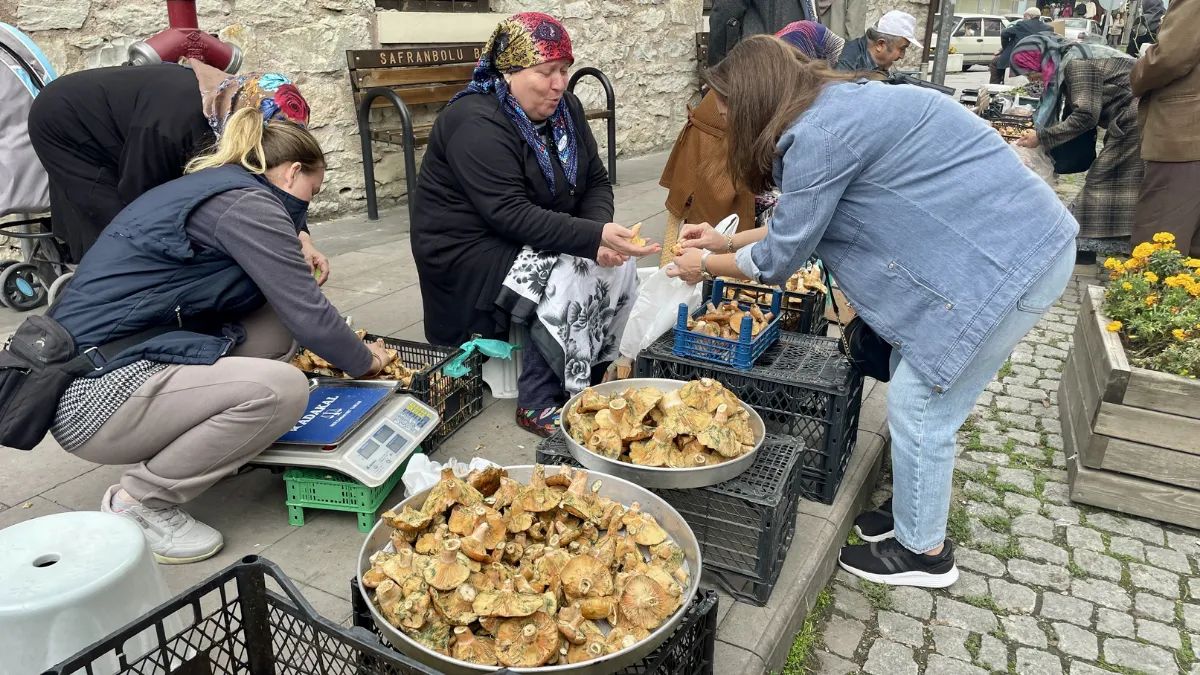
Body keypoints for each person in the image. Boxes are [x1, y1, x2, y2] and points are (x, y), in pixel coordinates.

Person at [668, 35, 1077, 587]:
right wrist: (722, 243)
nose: (726, 124)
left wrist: (703, 265)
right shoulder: (838, 106)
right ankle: (916, 515)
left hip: (1009, 265)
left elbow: (779, 259)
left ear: (754, 100)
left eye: (727, 111)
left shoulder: (817, 136)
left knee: (921, 406)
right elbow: (808, 225)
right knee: (920, 401)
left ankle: (924, 553)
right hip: (1018, 246)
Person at [45, 107, 391, 564]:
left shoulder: (226, 186)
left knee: (272, 325)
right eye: (313, 191)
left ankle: (209, 448)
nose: (309, 205)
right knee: (283, 390)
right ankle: (139, 504)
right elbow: (309, 313)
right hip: (95, 398)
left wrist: (297, 238)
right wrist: (366, 363)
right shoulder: (249, 206)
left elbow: (285, 308)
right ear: (291, 173)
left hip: (122, 357)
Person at [409, 13, 658, 437]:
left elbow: (595, 180)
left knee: (617, 262)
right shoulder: (475, 121)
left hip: (532, 227)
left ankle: (591, 374)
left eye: (564, 70)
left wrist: (598, 233)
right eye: (546, 72)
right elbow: (509, 213)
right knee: (565, 271)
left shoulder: (567, 110)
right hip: (468, 246)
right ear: (510, 72)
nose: (559, 83)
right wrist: (590, 237)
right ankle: (538, 398)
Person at [27, 61, 330, 282]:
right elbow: (141, 200)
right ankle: (102, 306)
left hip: (131, 124)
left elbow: (274, 183)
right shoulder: (173, 127)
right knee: (118, 228)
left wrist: (301, 237)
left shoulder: (237, 109)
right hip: (64, 122)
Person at [659, 21, 846, 265]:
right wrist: (722, 247)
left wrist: (707, 264)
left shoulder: (809, 130)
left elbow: (788, 239)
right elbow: (788, 236)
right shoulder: (792, 118)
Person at [1011, 34, 1142, 262]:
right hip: (1133, 119)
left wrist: (1042, 137)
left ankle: (1083, 248)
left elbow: (1086, 115)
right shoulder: (1072, 58)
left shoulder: (1077, 65)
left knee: (1102, 179)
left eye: (1029, 70)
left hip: (1136, 121)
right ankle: (1117, 243)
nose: (1031, 78)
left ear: (1039, 60)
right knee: (1126, 183)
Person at [1130, 0, 1200, 256]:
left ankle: (1147, 295)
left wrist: (1138, 74)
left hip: (1186, 135)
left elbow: (1171, 56)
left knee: (1161, 239)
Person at [836, 10, 921, 73]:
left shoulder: (879, 63)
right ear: (880, 44)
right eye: (902, 49)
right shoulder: (848, 62)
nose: (902, 56)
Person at [991, 7, 1054, 85]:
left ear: (1028, 16)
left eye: (1024, 16)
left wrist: (1005, 48)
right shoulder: (1048, 28)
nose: (1023, 18)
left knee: (995, 62)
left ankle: (994, 87)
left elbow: (1004, 33)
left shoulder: (1022, 24)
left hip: (1019, 58)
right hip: (1038, 60)